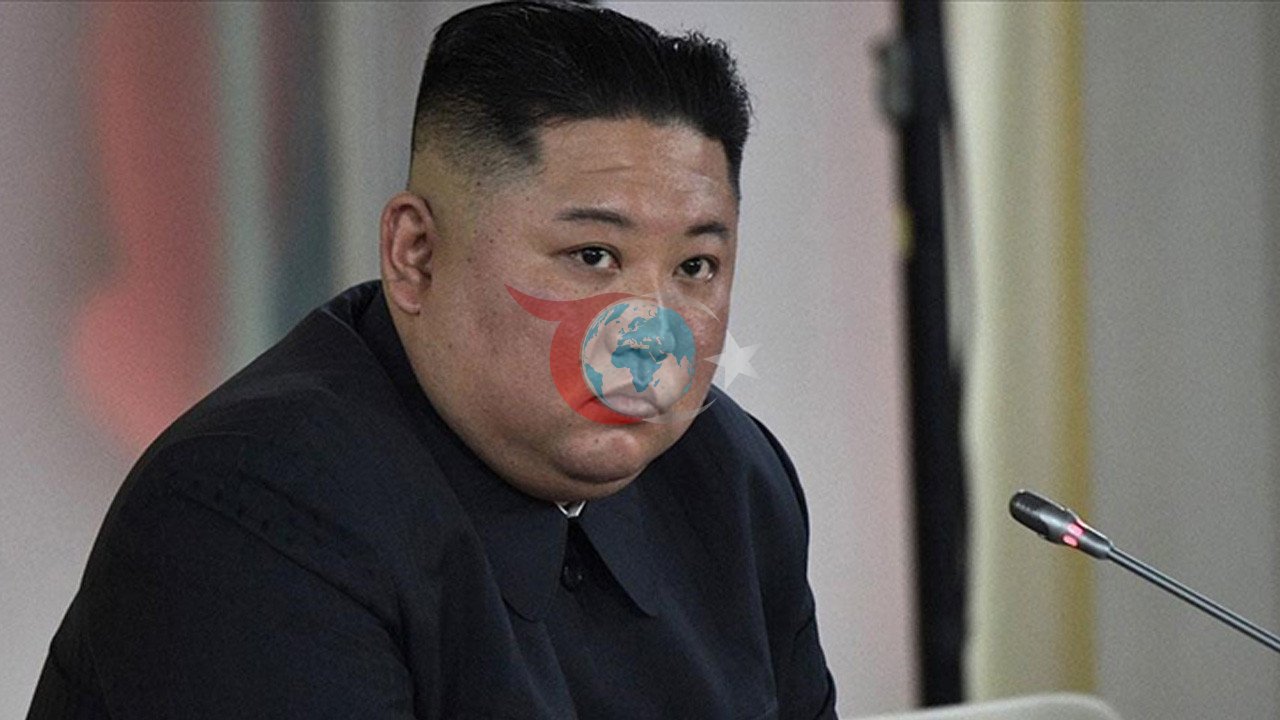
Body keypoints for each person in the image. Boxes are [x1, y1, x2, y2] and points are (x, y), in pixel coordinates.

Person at [28, 2, 837, 717]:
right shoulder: (245, 511)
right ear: (415, 254)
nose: (651, 337)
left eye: (695, 267)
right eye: (593, 257)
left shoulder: (732, 476)